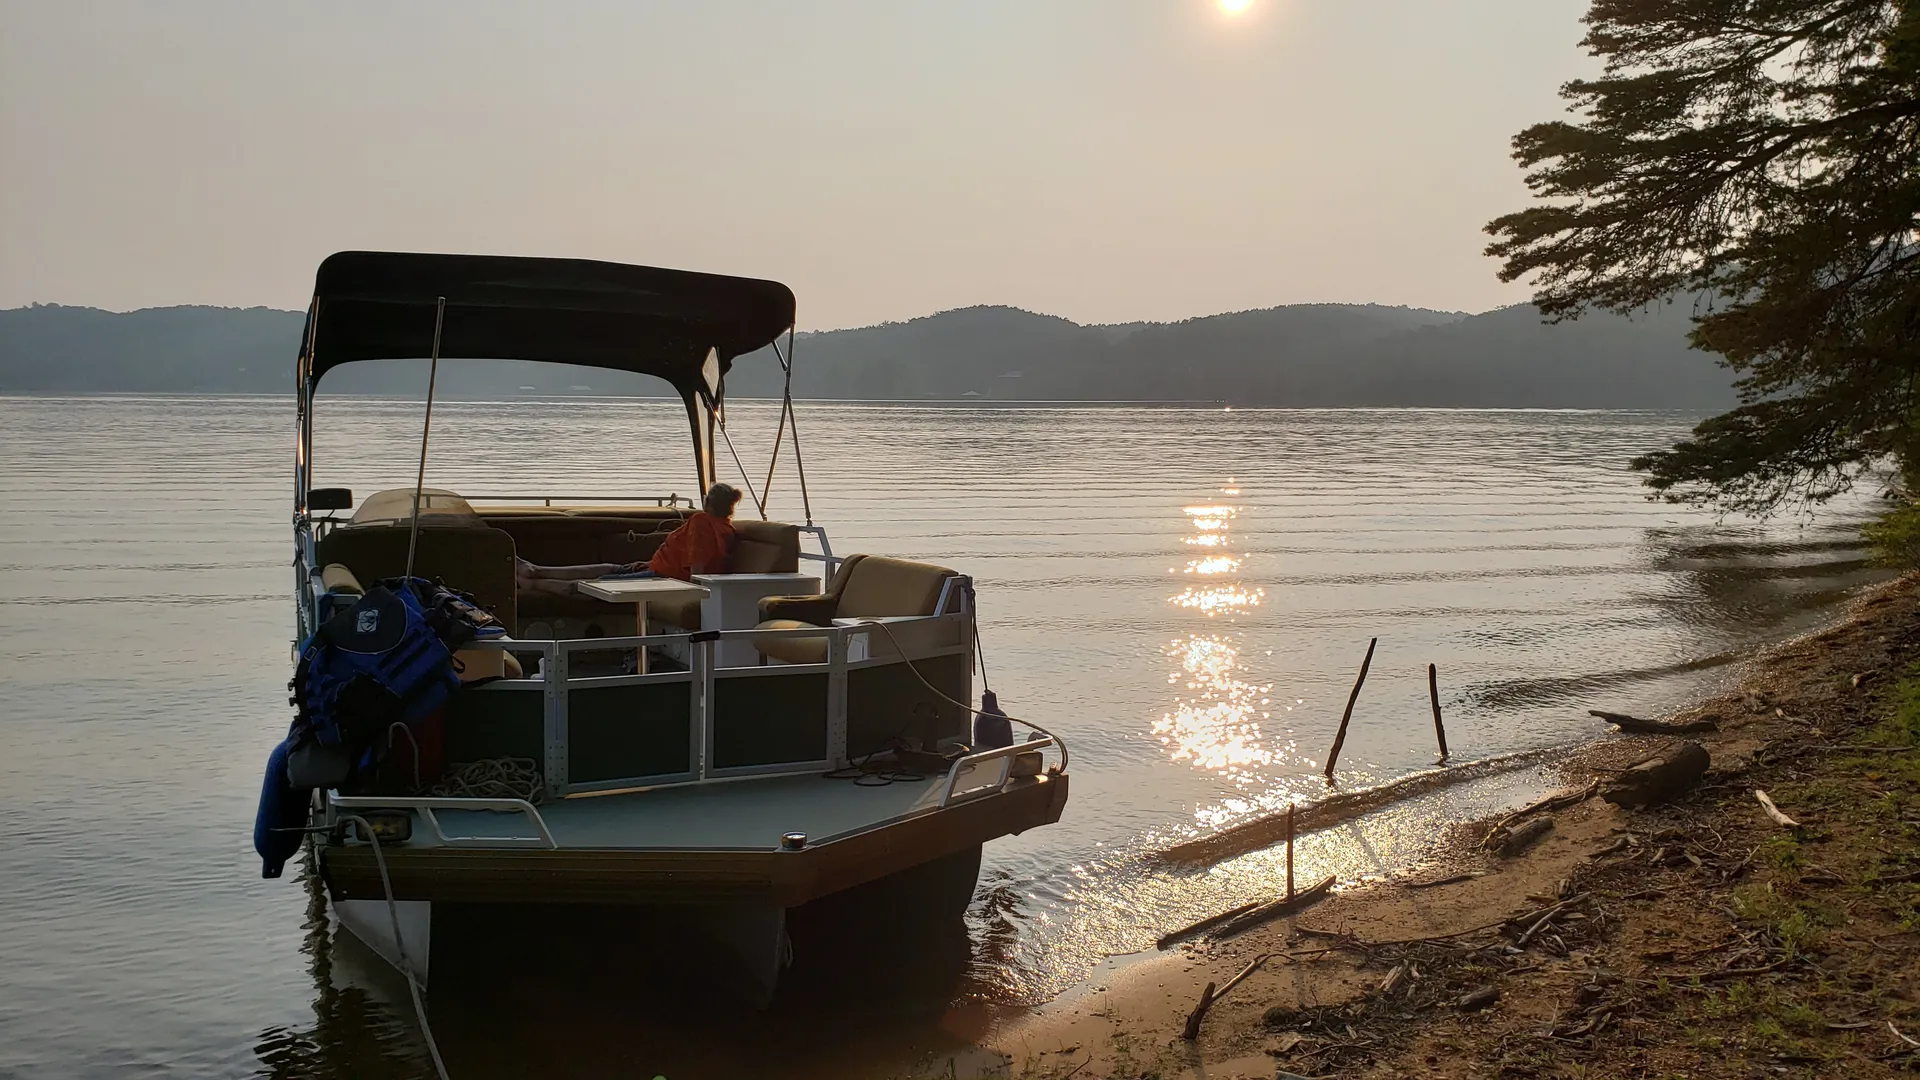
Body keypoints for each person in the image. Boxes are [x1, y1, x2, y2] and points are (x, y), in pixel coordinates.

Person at [511, 483, 743, 598]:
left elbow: (698, 565)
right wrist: (651, 564)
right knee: (608, 567)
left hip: (665, 580)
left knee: (597, 582)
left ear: (708, 502)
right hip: (658, 571)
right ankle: (536, 569)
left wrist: (689, 593)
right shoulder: (725, 527)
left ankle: (533, 582)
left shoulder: (702, 522)